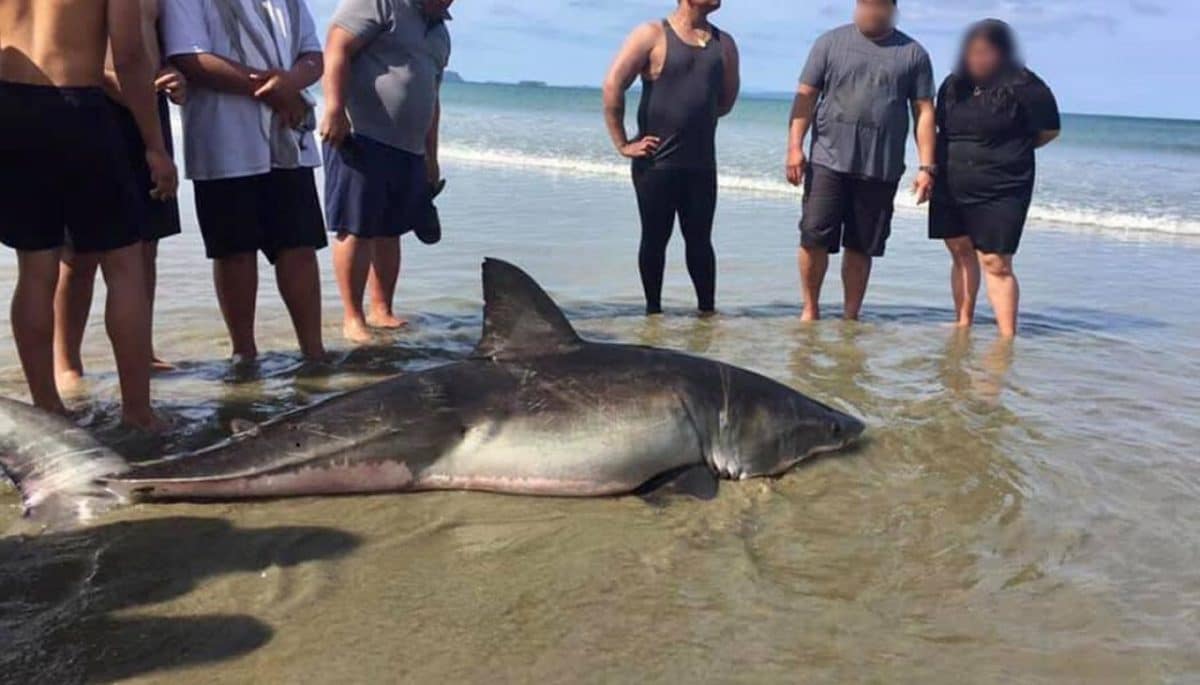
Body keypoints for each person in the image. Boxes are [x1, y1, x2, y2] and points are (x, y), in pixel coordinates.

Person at [0, 0, 178, 429]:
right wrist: (153, 144)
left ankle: (48, 409)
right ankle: (138, 412)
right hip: (77, 104)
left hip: (10, 109)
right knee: (124, 264)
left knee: (36, 267)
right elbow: (131, 53)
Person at [161, 0, 327, 363]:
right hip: (224, 138)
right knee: (234, 251)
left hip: (288, 134)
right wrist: (274, 88)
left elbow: (313, 54)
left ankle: (314, 353)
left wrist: (290, 83)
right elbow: (190, 58)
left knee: (299, 246)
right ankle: (244, 353)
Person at [54, 0, 189, 392]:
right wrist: (110, 79)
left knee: (147, 243)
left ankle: (140, 352)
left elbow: (153, 46)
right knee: (79, 252)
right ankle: (67, 362)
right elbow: (56, 42)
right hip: (94, 105)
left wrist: (173, 76)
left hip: (147, 107)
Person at [786, 0, 937, 321]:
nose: (869, 10)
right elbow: (806, 95)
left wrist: (926, 167)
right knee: (813, 236)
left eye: (877, 5)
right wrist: (794, 147)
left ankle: (850, 316)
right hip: (827, 159)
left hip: (879, 167)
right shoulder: (830, 42)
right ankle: (810, 310)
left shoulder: (913, 54)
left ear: (891, 8)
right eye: (864, 3)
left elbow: (923, 111)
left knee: (861, 245)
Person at [320, 0, 453, 344]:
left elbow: (431, 96)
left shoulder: (441, 33)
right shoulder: (382, 3)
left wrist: (431, 155)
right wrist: (335, 108)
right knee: (356, 228)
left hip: (408, 148)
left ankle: (382, 309)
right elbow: (337, 44)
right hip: (361, 136)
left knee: (391, 230)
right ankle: (353, 317)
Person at [603, 0, 741, 316]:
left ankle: (707, 315)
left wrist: (694, 118)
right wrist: (623, 143)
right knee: (654, 238)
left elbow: (725, 101)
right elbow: (613, 85)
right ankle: (653, 314)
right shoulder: (651, 34)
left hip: (701, 165)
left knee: (700, 242)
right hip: (656, 164)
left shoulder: (725, 44)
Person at [929, 20, 1060, 338]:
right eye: (972, 51)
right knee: (960, 250)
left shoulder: (1027, 86)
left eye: (984, 51)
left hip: (1004, 185)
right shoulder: (953, 84)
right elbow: (939, 128)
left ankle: (1006, 337)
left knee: (995, 261)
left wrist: (1006, 153)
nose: (977, 58)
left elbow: (1048, 131)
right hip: (952, 178)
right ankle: (963, 322)